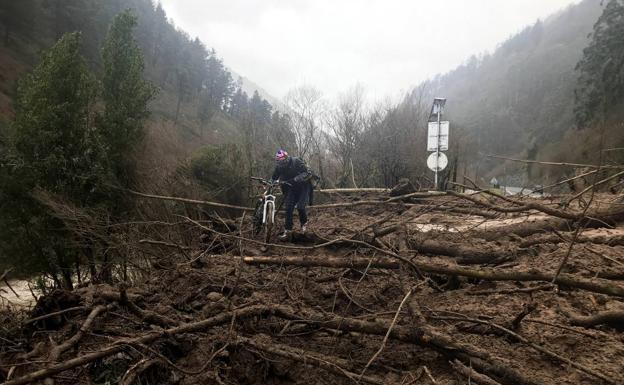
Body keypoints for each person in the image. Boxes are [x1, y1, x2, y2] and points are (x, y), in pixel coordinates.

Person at [270, 149, 313, 239]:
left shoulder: (296, 161)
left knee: (300, 206)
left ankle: (304, 225)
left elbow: (307, 172)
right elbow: (274, 177)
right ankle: (288, 231)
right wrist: (271, 182)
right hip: (290, 188)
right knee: (288, 208)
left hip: (303, 186)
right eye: (278, 162)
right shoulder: (278, 167)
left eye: (281, 161)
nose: (280, 164)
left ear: (286, 158)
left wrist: (296, 179)